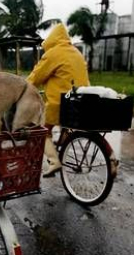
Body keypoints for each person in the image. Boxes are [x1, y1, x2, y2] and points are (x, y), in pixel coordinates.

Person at [26, 23, 90, 176]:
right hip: (81, 100)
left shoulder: (54, 53)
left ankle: (54, 162)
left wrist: (22, 87)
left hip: (60, 103)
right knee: (65, 127)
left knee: (42, 131)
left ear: (52, 39)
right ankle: (62, 147)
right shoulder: (76, 52)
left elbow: (36, 76)